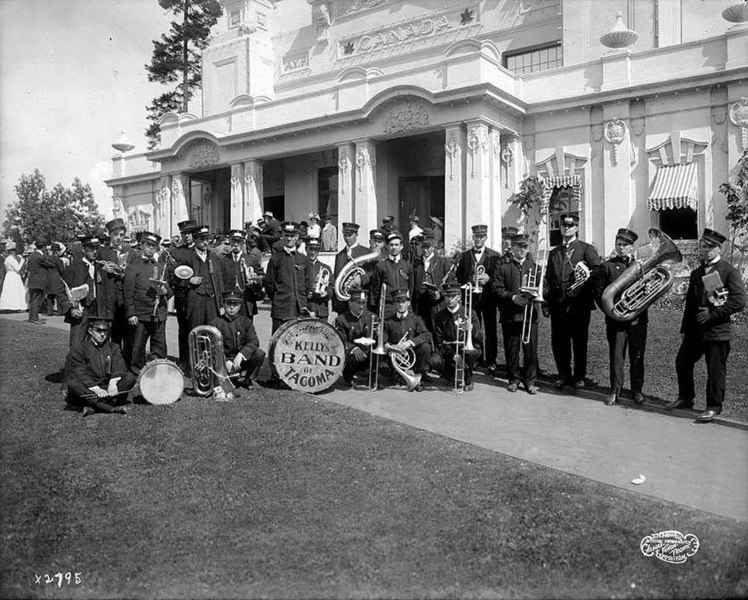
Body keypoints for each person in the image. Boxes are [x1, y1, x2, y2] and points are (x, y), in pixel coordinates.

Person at [668, 228, 746, 422]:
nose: (706, 250)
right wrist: (686, 329)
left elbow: (738, 301)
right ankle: (686, 398)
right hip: (695, 331)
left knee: (715, 370)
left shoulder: (728, 270)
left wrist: (712, 313)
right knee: (682, 362)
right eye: (703, 246)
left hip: (717, 330)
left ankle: (713, 407)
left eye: (710, 247)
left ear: (719, 248)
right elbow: (690, 305)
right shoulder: (696, 273)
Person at [542, 213, 601, 389]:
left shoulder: (586, 249)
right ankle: (563, 375)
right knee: (560, 342)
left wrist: (584, 281)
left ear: (576, 227)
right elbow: (549, 278)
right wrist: (546, 301)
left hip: (578, 304)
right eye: (563, 225)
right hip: (558, 304)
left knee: (579, 341)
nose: (566, 228)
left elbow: (597, 271)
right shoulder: (554, 252)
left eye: (570, 225)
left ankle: (579, 376)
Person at [592, 228, 647, 406]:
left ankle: (637, 391)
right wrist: (611, 311)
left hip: (638, 319)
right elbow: (599, 293)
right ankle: (615, 391)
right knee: (616, 357)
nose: (621, 248)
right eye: (618, 244)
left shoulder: (641, 267)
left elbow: (648, 293)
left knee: (637, 356)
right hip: (616, 320)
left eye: (625, 245)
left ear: (632, 247)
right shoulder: (607, 266)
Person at [492, 234, 540, 394]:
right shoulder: (503, 266)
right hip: (510, 314)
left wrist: (537, 295)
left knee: (530, 349)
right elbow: (496, 289)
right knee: (512, 348)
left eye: (525, 246)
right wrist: (512, 297)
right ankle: (513, 379)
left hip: (530, 314)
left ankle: (530, 381)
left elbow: (544, 287)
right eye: (519, 246)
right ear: (512, 248)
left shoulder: (534, 266)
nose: (522, 249)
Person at [65, 316, 136, 416]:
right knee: (73, 384)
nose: (102, 334)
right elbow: (78, 372)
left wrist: (113, 383)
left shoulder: (113, 347)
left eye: (105, 331)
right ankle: (110, 407)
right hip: (91, 387)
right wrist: (96, 388)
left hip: (108, 387)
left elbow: (119, 366)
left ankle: (94, 404)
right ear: (90, 331)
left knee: (130, 377)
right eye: (98, 331)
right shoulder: (80, 349)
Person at [123, 231, 172, 374]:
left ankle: (159, 372)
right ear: (142, 245)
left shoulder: (161, 266)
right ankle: (137, 373)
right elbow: (128, 293)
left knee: (159, 346)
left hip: (159, 314)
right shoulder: (133, 266)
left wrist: (165, 291)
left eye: (154, 246)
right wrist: (131, 313)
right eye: (148, 245)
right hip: (141, 314)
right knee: (137, 347)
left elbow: (169, 290)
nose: (151, 248)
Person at [456, 224, 500, 375]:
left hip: (488, 299)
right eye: (476, 236)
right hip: (472, 299)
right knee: (474, 328)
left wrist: (489, 279)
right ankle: (476, 358)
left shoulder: (494, 256)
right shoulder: (465, 256)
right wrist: (469, 282)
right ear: (473, 237)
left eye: (482, 236)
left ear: (486, 237)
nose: (479, 239)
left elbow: (498, 278)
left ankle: (492, 360)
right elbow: (460, 276)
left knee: (490, 329)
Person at [56, 236, 113, 349]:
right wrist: (70, 309)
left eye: (97, 248)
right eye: (91, 249)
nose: (95, 252)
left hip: (98, 311)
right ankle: (74, 366)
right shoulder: (74, 268)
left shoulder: (101, 268)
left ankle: (92, 366)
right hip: (81, 311)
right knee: (77, 343)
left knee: (97, 343)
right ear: (83, 249)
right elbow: (62, 290)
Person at [175, 225, 226, 352]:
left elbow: (220, 282)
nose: (205, 242)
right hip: (195, 302)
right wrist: (188, 281)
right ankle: (194, 366)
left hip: (212, 303)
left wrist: (221, 304)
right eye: (202, 239)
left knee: (212, 334)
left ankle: (211, 365)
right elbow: (175, 279)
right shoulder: (187, 257)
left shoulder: (213, 257)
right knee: (195, 334)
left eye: (207, 239)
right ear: (195, 240)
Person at [209, 290, 266, 388]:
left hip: (240, 360)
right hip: (223, 360)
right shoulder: (215, 323)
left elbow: (254, 341)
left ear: (239, 306)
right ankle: (226, 378)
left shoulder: (246, 322)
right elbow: (211, 346)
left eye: (235, 304)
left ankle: (248, 379)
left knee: (259, 353)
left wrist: (241, 355)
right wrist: (224, 361)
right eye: (228, 303)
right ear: (223, 304)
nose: (231, 307)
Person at [432, 281, 483, 391]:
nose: (450, 299)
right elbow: (439, 341)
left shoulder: (470, 313)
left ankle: (468, 379)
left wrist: (472, 329)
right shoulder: (440, 316)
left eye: (453, 296)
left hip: (465, 349)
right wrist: (453, 356)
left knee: (469, 352)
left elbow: (480, 337)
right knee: (434, 360)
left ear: (459, 297)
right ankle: (450, 375)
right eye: (447, 296)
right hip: (449, 349)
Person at [263, 222, 311, 334]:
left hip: (299, 308)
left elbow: (307, 283)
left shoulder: (303, 259)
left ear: (297, 237)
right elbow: (269, 284)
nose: (289, 238)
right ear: (282, 236)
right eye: (287, 235)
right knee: (278, 343)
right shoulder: (275, 259)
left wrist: (302, 301)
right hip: (281, 309)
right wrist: (278, 298)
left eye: (292, 235)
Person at [98, 218, 136, 357]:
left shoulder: (131, 252)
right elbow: (96, 276)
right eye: (115, 235)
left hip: (126, 299)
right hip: (110, 299)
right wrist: (103, 271)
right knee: (113, 333)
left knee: (129, 334)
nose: (118, 238)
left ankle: (127, 362)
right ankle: (113, 363)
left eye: (121, 235)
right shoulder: (102, 252)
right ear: (109, 234)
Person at [383, 289, 433, 392]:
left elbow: (427, 335)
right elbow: (383, 340)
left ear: (408, 303)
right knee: (383, 368)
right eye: (397, 302)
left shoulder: (416, 319)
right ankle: (396, 375)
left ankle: (419, 377)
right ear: (394, 304)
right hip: (394, 355)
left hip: (411, 354)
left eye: (403, 302)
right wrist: (391, 347)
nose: (400, 305)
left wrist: (410, 342)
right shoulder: (388, 322)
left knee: (425, 347)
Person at [334, 286, 378, 388]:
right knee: (352, 358)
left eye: (363, 303)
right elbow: (340, 340)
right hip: (353, 356)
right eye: (358, 303)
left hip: (368, 354)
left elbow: (381, 335)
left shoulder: (373, 317)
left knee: (378, 352)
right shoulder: (341, 320)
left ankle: (372, 378)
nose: (361, 306)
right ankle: (348, 378)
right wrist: (353, 348)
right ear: (350, 303)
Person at [220, 229, 265, 320]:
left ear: (243, 242)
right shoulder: (223, 261)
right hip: (229, 304)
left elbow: (261, 279)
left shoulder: (251, 260)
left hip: (246, 303)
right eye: (233, 241)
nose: (236, 244)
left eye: (239, 241)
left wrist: (255, 282)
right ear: (230, 241)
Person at [170, 219, 197, 370]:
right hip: (182, 296)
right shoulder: (176, 252)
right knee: (183, 329)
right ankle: (184, 360)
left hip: (198, 296)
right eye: (183, 233)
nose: (186, 236)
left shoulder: (200, 250)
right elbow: (172, 277)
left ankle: (196, 360)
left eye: (189, 233)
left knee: (197, 328)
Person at [413, 228, 451, 333]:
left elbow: (450, 283)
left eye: (428, 247)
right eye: (423, 247)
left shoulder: (443, 262)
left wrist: (441, 293)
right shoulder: (416, 265)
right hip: (421, 306)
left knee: (437, 332)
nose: (425, 250)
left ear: (433, 246)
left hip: (437, 305)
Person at [372, 231, 415, 319]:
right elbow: (376, 290)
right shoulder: (380, 266)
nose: (394, 247)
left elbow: (411, 287)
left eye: (396, 245)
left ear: (401, 246)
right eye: (391, 245)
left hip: (404, 306)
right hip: (387, 308)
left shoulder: (408, 266)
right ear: (387, 247)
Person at [332, 222, 370, 314]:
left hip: (359, 301)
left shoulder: (366, 252)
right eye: (345, 235)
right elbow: (337, 277)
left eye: (349, 235)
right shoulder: (340, 255)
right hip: (343, 304)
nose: (347, 238)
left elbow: (372, 273)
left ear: (356, 235)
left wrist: (361, 279)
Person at [306, 238, 333, 320]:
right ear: (306, 249)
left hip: (322, 310)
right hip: (307, 309)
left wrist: (327, 293)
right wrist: (306, 293)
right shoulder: (301, 267)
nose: (313, 252)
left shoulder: (326, 268)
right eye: (310, 249)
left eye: (316, 249)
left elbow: (332, 286)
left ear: (319, 251)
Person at [0, 241, 27, 312]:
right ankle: (15, 306)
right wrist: (22, 261)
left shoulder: (7, 259)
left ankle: (10, 305)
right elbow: (17, 268)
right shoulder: (11, 259)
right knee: (15, 290)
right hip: (14, 275)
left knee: (10, 291)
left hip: (9, 275)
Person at [25, 241, 47, 324]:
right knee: (36, 300)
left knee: (33, 299)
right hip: (38, 280)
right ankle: (34, 318)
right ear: (43, 247)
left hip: (33, 279)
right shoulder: (40, 256)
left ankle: (32, 317)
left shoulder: (32, 255)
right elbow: (49, 263)